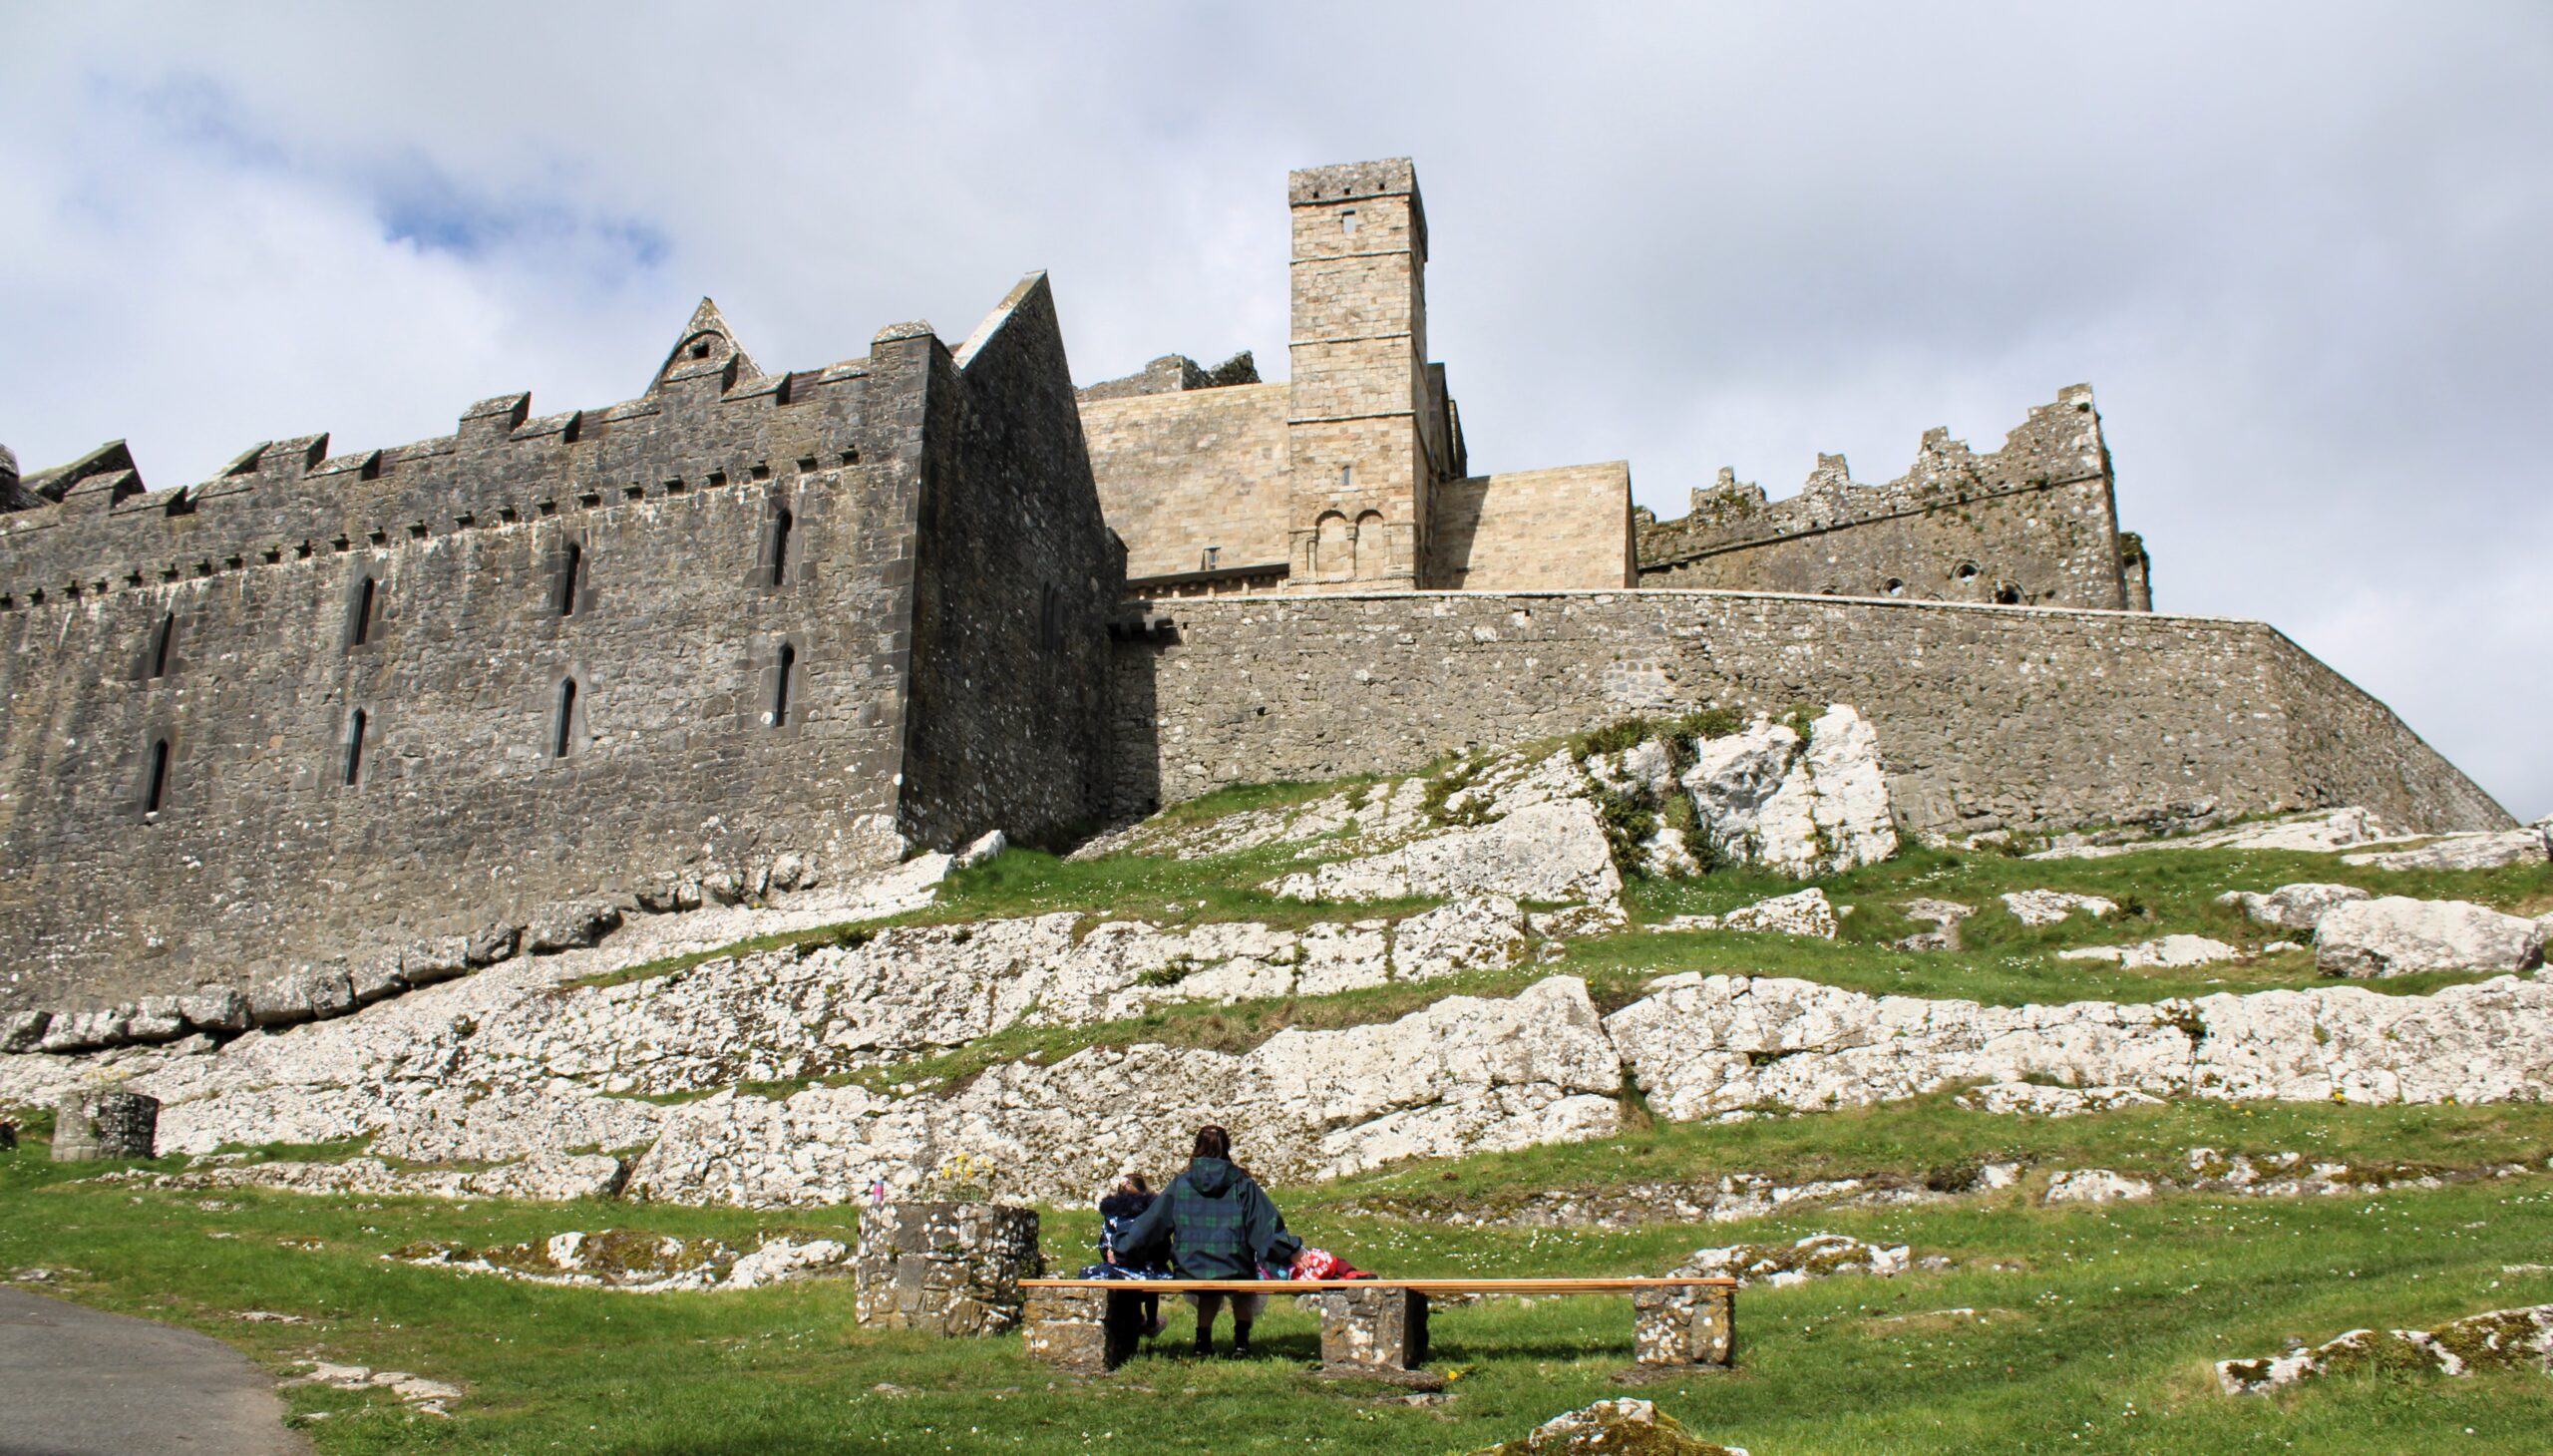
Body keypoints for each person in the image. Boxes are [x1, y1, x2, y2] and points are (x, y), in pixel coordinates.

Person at [1106, 1125, 1300, 1358]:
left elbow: (1152, 1224)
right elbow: (1264, 1225)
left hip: (1191, 1268)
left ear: (1196, 1148)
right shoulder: (1242, 1184)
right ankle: (1241, 1344)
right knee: (1243, 1286)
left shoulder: (1181, 1184)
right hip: (1234, 1266)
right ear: (1227, 1148)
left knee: (1207, 1287)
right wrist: (1291, 1249)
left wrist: (1122, 1248)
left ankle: (1202, 1341)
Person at [1096, 1172, 1169, 1336]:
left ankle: (1132, 1320)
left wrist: (1110, 1254)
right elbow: (1162, 1244)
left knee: (1121, 1278)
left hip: (1119, 1268)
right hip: (1149, 1269)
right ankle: (1151, 1322)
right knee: (1151, 1282)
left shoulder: (1112, 1215)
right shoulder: (1152, 1213)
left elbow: (1104, 1242)